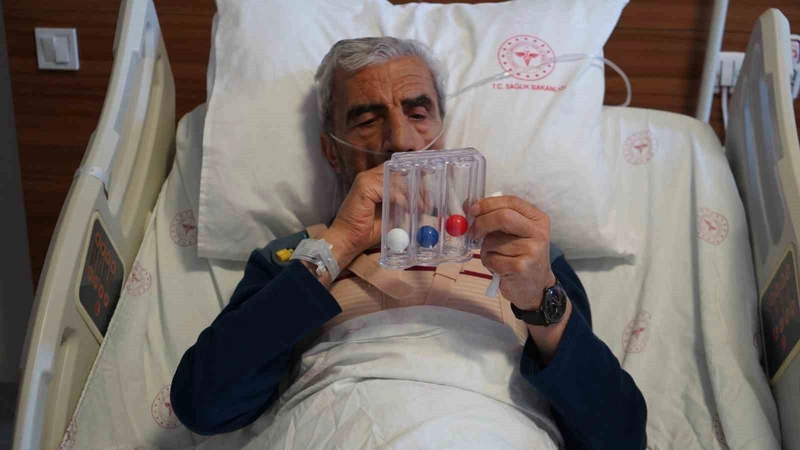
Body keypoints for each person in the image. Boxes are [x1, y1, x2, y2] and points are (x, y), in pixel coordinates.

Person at [171, 37, 647, 449]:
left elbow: (619, 436)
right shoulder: (295, 257)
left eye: (418, 113)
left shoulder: (526, 255)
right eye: (366, 119)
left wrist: (541, 299)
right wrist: (337, 247)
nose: (400, 139)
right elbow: (204, 404)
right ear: (331, 150)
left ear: (442, 133)